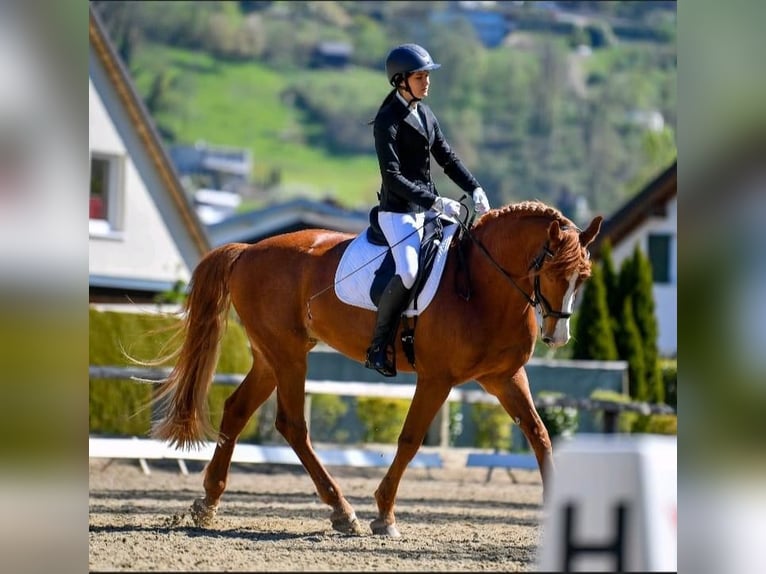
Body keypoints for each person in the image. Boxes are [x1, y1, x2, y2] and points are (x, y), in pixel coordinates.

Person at [364, 42, 491, 377]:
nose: (427, 82)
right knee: (407, 271)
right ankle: (378, 346)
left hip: (426, 209)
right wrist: (434, 201)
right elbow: (392, 177)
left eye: (426, 75)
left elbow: (446, 157)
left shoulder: (425, 113)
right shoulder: (386, 120)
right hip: (398, 213)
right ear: (401, 80)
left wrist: (473, 187)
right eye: (420, 76)